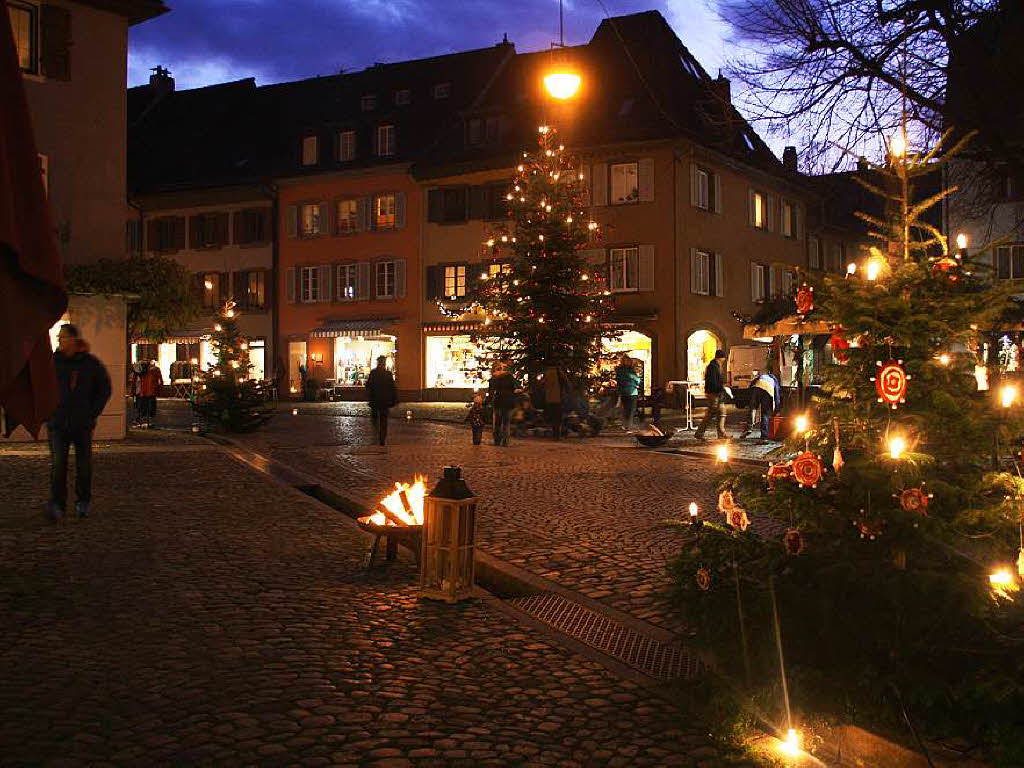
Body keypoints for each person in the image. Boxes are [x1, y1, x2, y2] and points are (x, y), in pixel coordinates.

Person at [47, 324, 112, 521]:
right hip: (58, 422)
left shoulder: (90, 363)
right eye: (59, 337)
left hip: (82, 424)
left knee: (84, 466)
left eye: (63, 337)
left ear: (74, 340)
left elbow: (104, 389)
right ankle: (57, 504)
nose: (60, 341)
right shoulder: (52, 362)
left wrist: (91, 413)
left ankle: (83, 501)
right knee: (59, 465)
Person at [695, 349, 728, 441]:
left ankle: (721, 433)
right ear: (721, 358)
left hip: (716, 393)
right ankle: (700, 433)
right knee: (711, 414)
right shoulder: (713, 366)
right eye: (723, 358)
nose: (724, 360)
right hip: (714, 393)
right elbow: (713, 381)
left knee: (721, 413)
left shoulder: (715, 365)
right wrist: (720, 388)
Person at [365, 355, 397, 445]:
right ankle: (382, 437)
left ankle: (376, 434)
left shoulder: (373, 373)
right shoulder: (388, 374)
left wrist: (369, 396)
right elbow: (392, 388)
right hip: (384, 401)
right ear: (384, 363)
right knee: (383, 420)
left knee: (375, 419)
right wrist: (394, 399)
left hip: (375, 400)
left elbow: (368, 385)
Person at [742, 371, 781, 441]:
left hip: (757, 388)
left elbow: (752, 383)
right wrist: (776, 410)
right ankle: (764, 437)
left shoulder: (762, 376)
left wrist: (749, 395)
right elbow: (777, 396)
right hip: (767, 391)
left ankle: (749, 428)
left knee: (753, 408)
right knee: (765, 414)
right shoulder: (775, 381)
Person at [487, 362, 517, 446]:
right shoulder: (509, 376)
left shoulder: (494, 378)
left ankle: (497, 441)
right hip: (509, 401)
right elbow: (514, 388)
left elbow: (491, 391)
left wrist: (486, 402)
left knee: (497, 422)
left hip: (499, 401)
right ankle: (505, 442)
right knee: (506, 423)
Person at [614, 355, 641, 431]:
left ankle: (625, 425)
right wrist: (636, 382)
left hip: (624, 392)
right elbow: (637, 380)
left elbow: (619, 381)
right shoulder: (631, 371)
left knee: (626, 409)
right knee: (630, 410)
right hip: (632, 392)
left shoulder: (619, 371)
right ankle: (628, 427)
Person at [542, 365, 567, 439]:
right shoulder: (559, 372)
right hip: (558, 398)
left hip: (549, 398)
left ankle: (554, 434)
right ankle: (557, 434)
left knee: (553, 417)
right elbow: (566, 382)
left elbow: (544, 384)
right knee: (558, 417)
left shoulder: (547, 373)